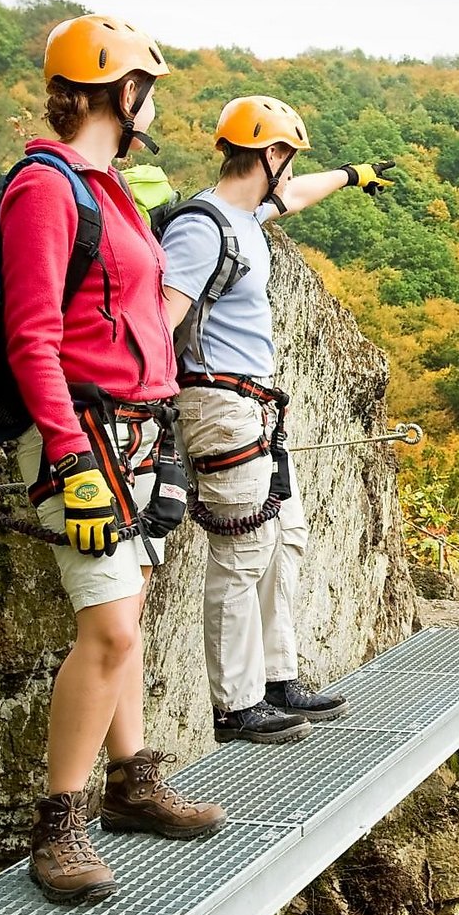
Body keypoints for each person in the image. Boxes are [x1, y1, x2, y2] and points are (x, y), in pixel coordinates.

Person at [0, 14, 226, 905]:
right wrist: (69, 457)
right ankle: (58, 823)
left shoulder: (113, 192)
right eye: (147, 90)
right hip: (80, 436)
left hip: (133, 432)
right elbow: (30, 337)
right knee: (111, 630)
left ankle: (133, 782)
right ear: (120, 91)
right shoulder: (45, 191)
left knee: (124, 615)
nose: (151, 108)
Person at [159, 96, 395, 744]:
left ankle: (274, 679)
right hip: (219, 405)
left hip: (256, 407)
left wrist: (352, 175)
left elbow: (296, 199)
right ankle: (234, 706)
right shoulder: (202, 228)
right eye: (288, 160)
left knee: (284, 538)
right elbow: (158, 320)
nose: (291, 175)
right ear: (268, 155)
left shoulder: (247, 217)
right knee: (241, 554)